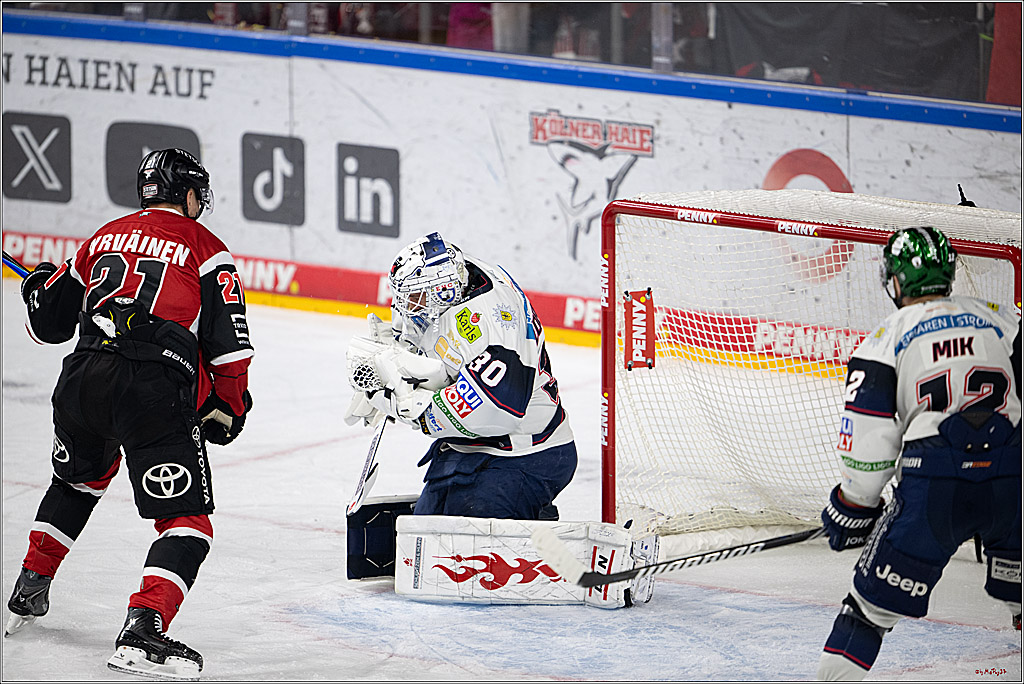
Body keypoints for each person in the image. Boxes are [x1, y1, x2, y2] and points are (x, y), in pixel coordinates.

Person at [6, 148, 254, 681]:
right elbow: (230, 349)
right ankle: (144, 627)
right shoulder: (207, 248)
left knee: (77, 483)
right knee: (188, 522)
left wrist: (36, 288)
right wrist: (229, 407)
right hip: (150, 389)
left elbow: (48, 325)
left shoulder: (101, 237)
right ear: (187, 193)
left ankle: (30, 586)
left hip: (82, 380)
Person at [816, 226, 1021, 680]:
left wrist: (852, 508)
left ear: (894, 281)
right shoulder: (1003, 320)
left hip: (936, 491)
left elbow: (868, 451)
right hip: (1014, 485)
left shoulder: (883, 340)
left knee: (866, 613)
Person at [345, 232, 577, 520]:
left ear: (442, 291)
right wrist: (391, 366)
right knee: (425, 533)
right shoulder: (458, 277)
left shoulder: (493, 324)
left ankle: (533, 519)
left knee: (460, 549)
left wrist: (404, 406)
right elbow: (431, 345)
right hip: (474, 447)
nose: (408, 308)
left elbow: (499, 409)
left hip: (527, 454)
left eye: (415, 299)